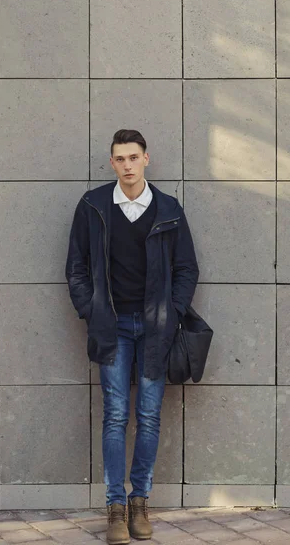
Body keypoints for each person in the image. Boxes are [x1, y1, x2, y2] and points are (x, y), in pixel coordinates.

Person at [65, 129, 199, 544]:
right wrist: (91, 310)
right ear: (112, 163)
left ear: (146, 159)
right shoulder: (93, 206)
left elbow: (186, 269)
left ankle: (140, 502)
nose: (127, 165)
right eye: (119, 158)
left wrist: (172, 312)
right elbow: (76, 268)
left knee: (149, 416)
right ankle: (115, 508)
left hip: (156, 328)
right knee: (117, 415)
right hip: (112, 326)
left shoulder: (168, 209)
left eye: (133, 157)